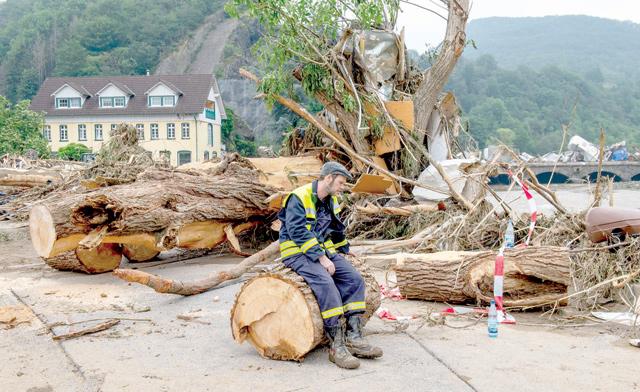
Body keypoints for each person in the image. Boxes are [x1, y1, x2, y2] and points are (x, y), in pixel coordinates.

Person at [277, 161, 383, 369]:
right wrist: (321, 258)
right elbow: (298, 232)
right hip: (297, 253)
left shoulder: (330, 200)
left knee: (354, 279)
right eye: (341, 182)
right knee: (327, 284)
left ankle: (354, 336)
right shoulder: (299, 197)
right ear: (328, 178)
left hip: (322, 251)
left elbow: (335, 230)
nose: (342, 187)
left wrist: (344, 250)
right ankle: (336, 346)